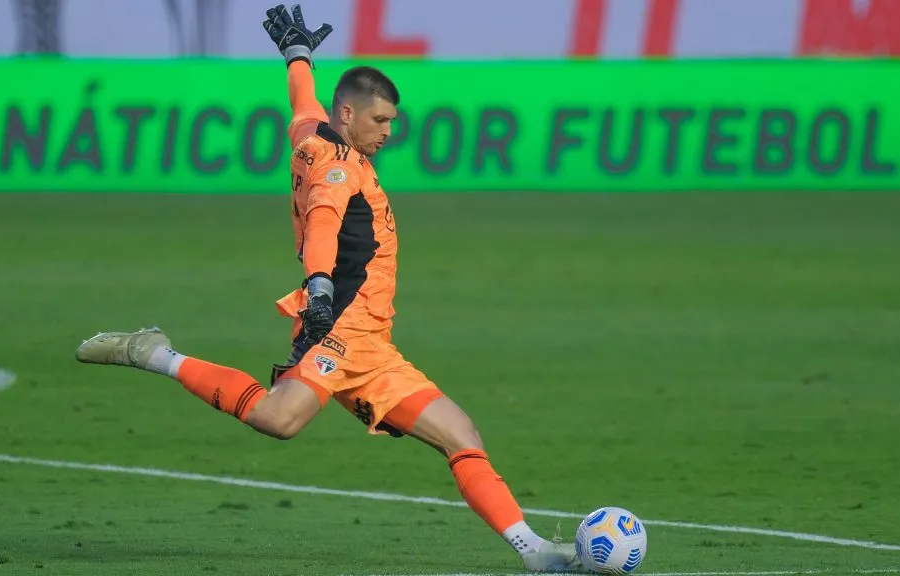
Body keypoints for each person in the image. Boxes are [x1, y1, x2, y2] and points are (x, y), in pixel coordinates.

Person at [74, 4, 582, 573]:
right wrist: (318, 286)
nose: (389, 132)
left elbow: (302, 102)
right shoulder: (339, 169)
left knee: (461, 433)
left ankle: (535, 552)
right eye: (381, 121)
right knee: (279, 420)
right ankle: (156, 353)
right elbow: (323, 222)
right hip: (337, 327)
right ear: (350, 114)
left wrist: (298, 55)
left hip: (373, 343)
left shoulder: (312, 133)